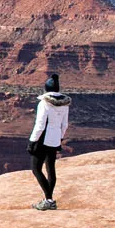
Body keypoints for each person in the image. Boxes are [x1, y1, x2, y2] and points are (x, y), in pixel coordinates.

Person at [28, 73, 71, 210]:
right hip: (55, 139)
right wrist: (60, 138)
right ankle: (49, 200)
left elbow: (40, 124)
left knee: (36, 169)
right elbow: (65, 125)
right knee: (50, 169)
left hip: (42, 139)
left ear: (46, 88)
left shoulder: (44, 103)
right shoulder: (65, 104)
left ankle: (49, 200)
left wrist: (32, 140)